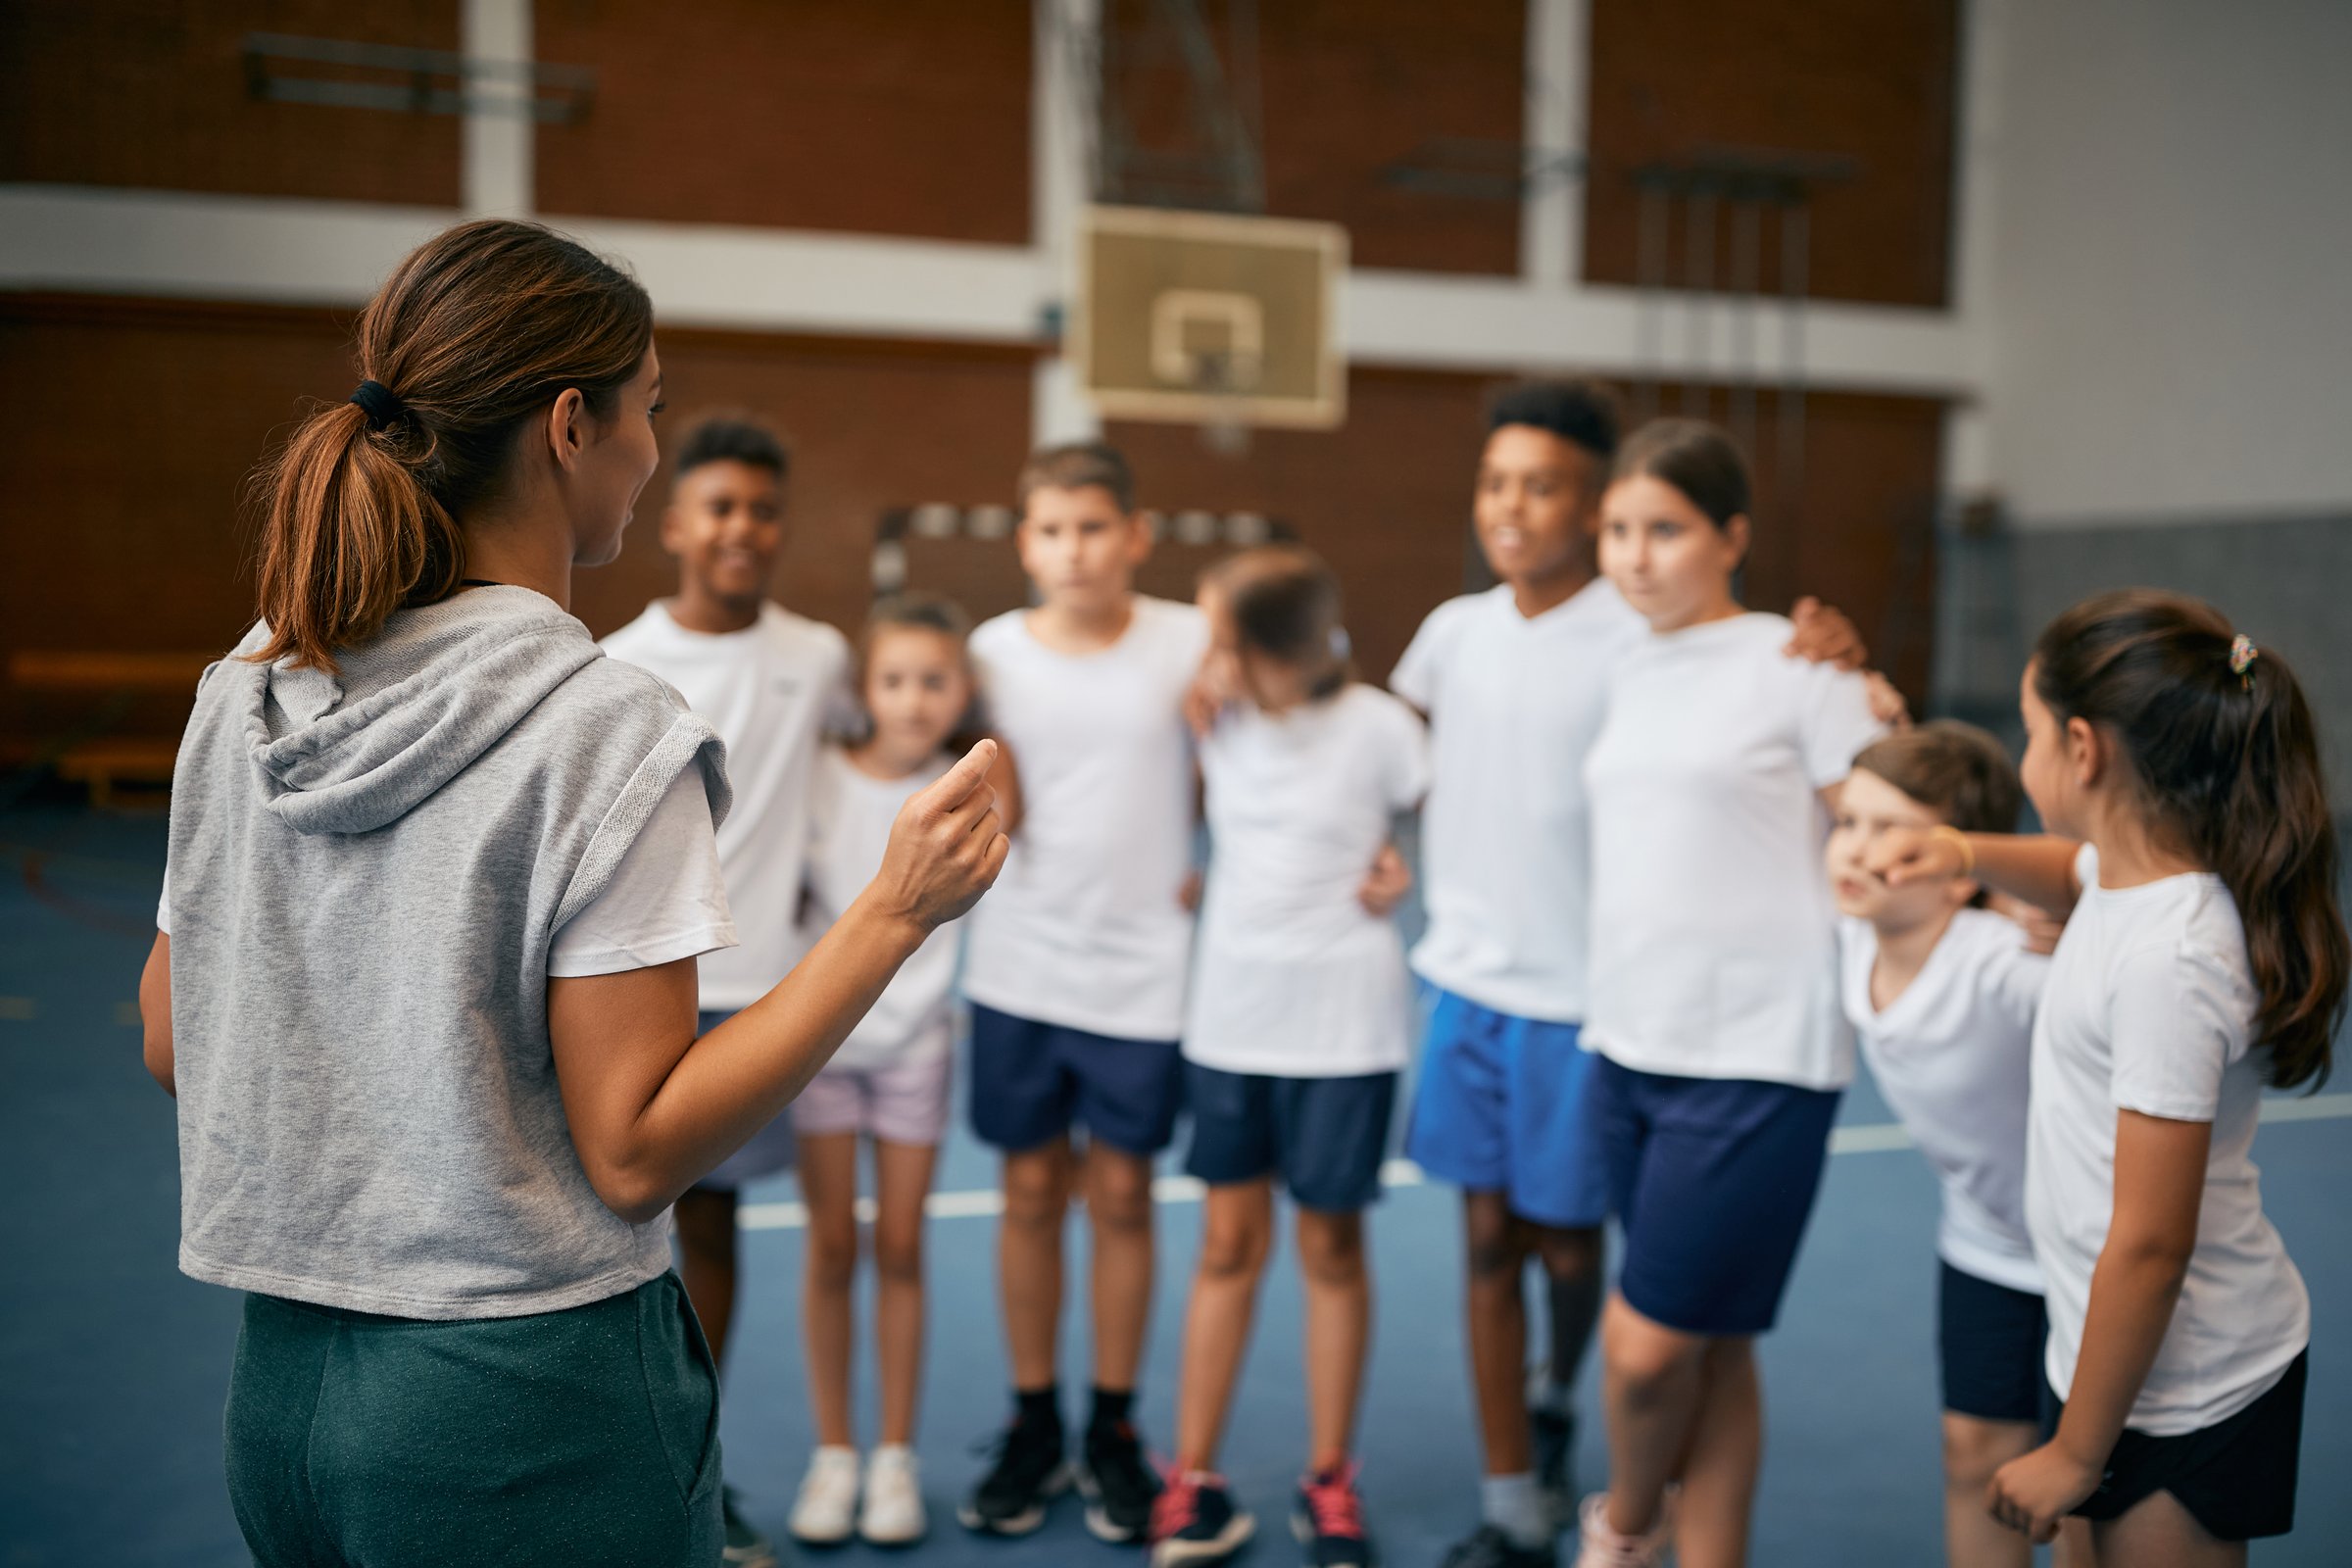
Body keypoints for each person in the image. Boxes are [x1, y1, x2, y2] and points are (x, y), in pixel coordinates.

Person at [136, 217, 1004, 1568]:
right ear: (568, 427)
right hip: (529, 1415)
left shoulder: (248, 685)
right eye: (648, 412)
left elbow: (173, 1038)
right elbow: (637, 1146)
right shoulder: (605, 728)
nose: (654, 454)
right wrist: (895, 911)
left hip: (286, 1399)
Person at [1391, 384, 1869, 1568]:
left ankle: (1590, 1458)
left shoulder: (1647, 634)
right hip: (1481, 990)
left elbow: (1798, 723)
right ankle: (1516, 1497)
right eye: (1496, 481)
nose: (1512, 506)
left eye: (1545, 485)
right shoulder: (1454, 632)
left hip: (1599, 1011)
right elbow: (1377, 746)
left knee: (1588, 1266)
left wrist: (1836, 654)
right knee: (1490, 1245)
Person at [1872, 590, 2346, 1565]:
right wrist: (1961, 851)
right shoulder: (2130, 876)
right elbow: (2069, 868)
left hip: (2188, 1380)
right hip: (2101, 1348)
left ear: (2082, 750)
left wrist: (2076, 1452)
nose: (2027, 748)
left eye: (2031, 727)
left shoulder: (2173, 959)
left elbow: (2151, 1241)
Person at [1573, 417, 1885, 1568]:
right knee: (1713, 1339)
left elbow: (1888, 825)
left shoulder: (1799, 665)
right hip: (1626, 1043)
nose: (1635, 555)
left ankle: (1626, 1527)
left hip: (1759, 1054)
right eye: (1616, 530)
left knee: (1647, 1349)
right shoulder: (1618, 659)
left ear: (1733, 537)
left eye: (1666, 528)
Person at [601, 415, 852, 1568]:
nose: (740, 528)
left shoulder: (820, 655)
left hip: (758, 995)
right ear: (675, 524)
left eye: (759, 508)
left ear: (780, 525)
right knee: (609, 1235)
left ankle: (698, 1464)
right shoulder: (614, 661)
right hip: (635, 991)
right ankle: (614, 1465)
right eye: (718, 507)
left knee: (713, 1225)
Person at [1148, 548, 1429, 1568]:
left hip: (1346, 1029)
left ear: (1277, 648)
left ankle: (1330, 1475)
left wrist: (1398, 869)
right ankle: (1194, 1475)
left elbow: (1435, 819)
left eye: (1225, 635)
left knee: (1331, 1250)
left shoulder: (1384, 730)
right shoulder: (1212, 715)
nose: (1207, 651)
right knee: (1226, 1246)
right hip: (1232, 1021)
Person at [956, 441, 1206, 1544]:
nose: (1074, 548)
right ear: (1025, 545)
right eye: (1052, 530)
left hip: (1146, 974)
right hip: (1019, 967)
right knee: (1026, 1195)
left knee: (1120, 1199)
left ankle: (1112, 1424)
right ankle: (1032, 1420)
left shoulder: (1193, 641)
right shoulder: (990, 652)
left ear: (1137, 536)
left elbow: (1282, 725)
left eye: (1094, 527)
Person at [786, 594, 1018, 1548]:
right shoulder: (819, 776)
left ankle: (894, 1455)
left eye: (935, 681)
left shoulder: (968, 795)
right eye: (895, 679)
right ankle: (833, 1450)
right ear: (863, 689)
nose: (915, 699)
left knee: (902, 1248)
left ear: (962, 690)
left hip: (918, 1051)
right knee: (833, 1247)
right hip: (825, 1053)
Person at [1827, 723, 2059, 1568]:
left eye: (1891, 832)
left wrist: (2066, 918)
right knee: (1975, 1455)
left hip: (2095, 1259)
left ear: (1963, 872)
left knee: (2087, 1497)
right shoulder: (1857, 930)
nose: (1856, 848)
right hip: (1986, 1242)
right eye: (1850, 822)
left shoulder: (2006, 966)